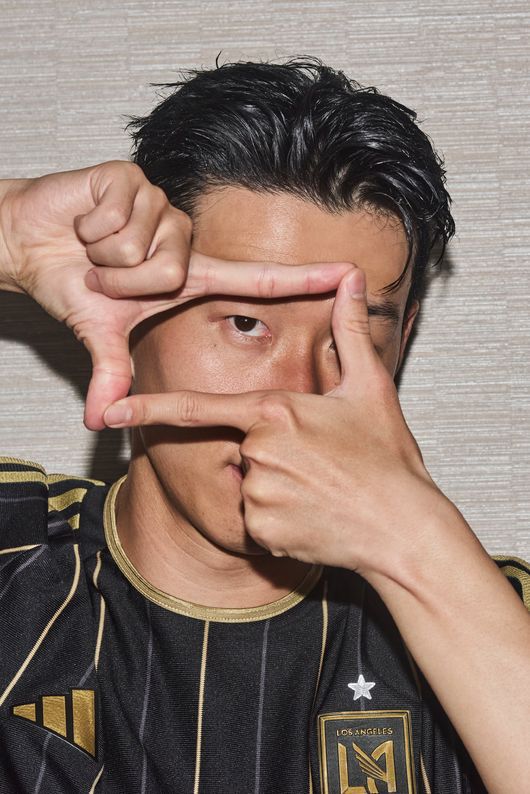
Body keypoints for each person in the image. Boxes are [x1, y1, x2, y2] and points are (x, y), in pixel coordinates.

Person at [0, 59, 528, 794]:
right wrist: (7, 233)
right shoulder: (13, 552)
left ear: (401, 340)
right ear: (130, 309)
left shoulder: (489, 615)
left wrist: (417, 549)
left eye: (349, 336)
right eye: (246, 323)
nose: (296, 398)